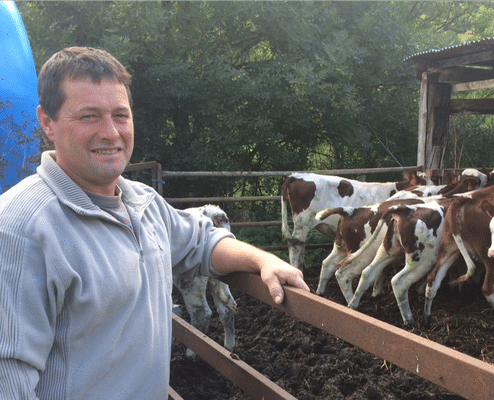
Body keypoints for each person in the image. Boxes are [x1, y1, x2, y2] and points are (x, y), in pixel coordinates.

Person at [0, 46, 310, 399]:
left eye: (120, 115)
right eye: (89, 116)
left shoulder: (142, 203)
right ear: (47, 123)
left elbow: (201, 241)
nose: (111, 132)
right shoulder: (19, 229)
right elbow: (8, 380)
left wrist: (263, 260)